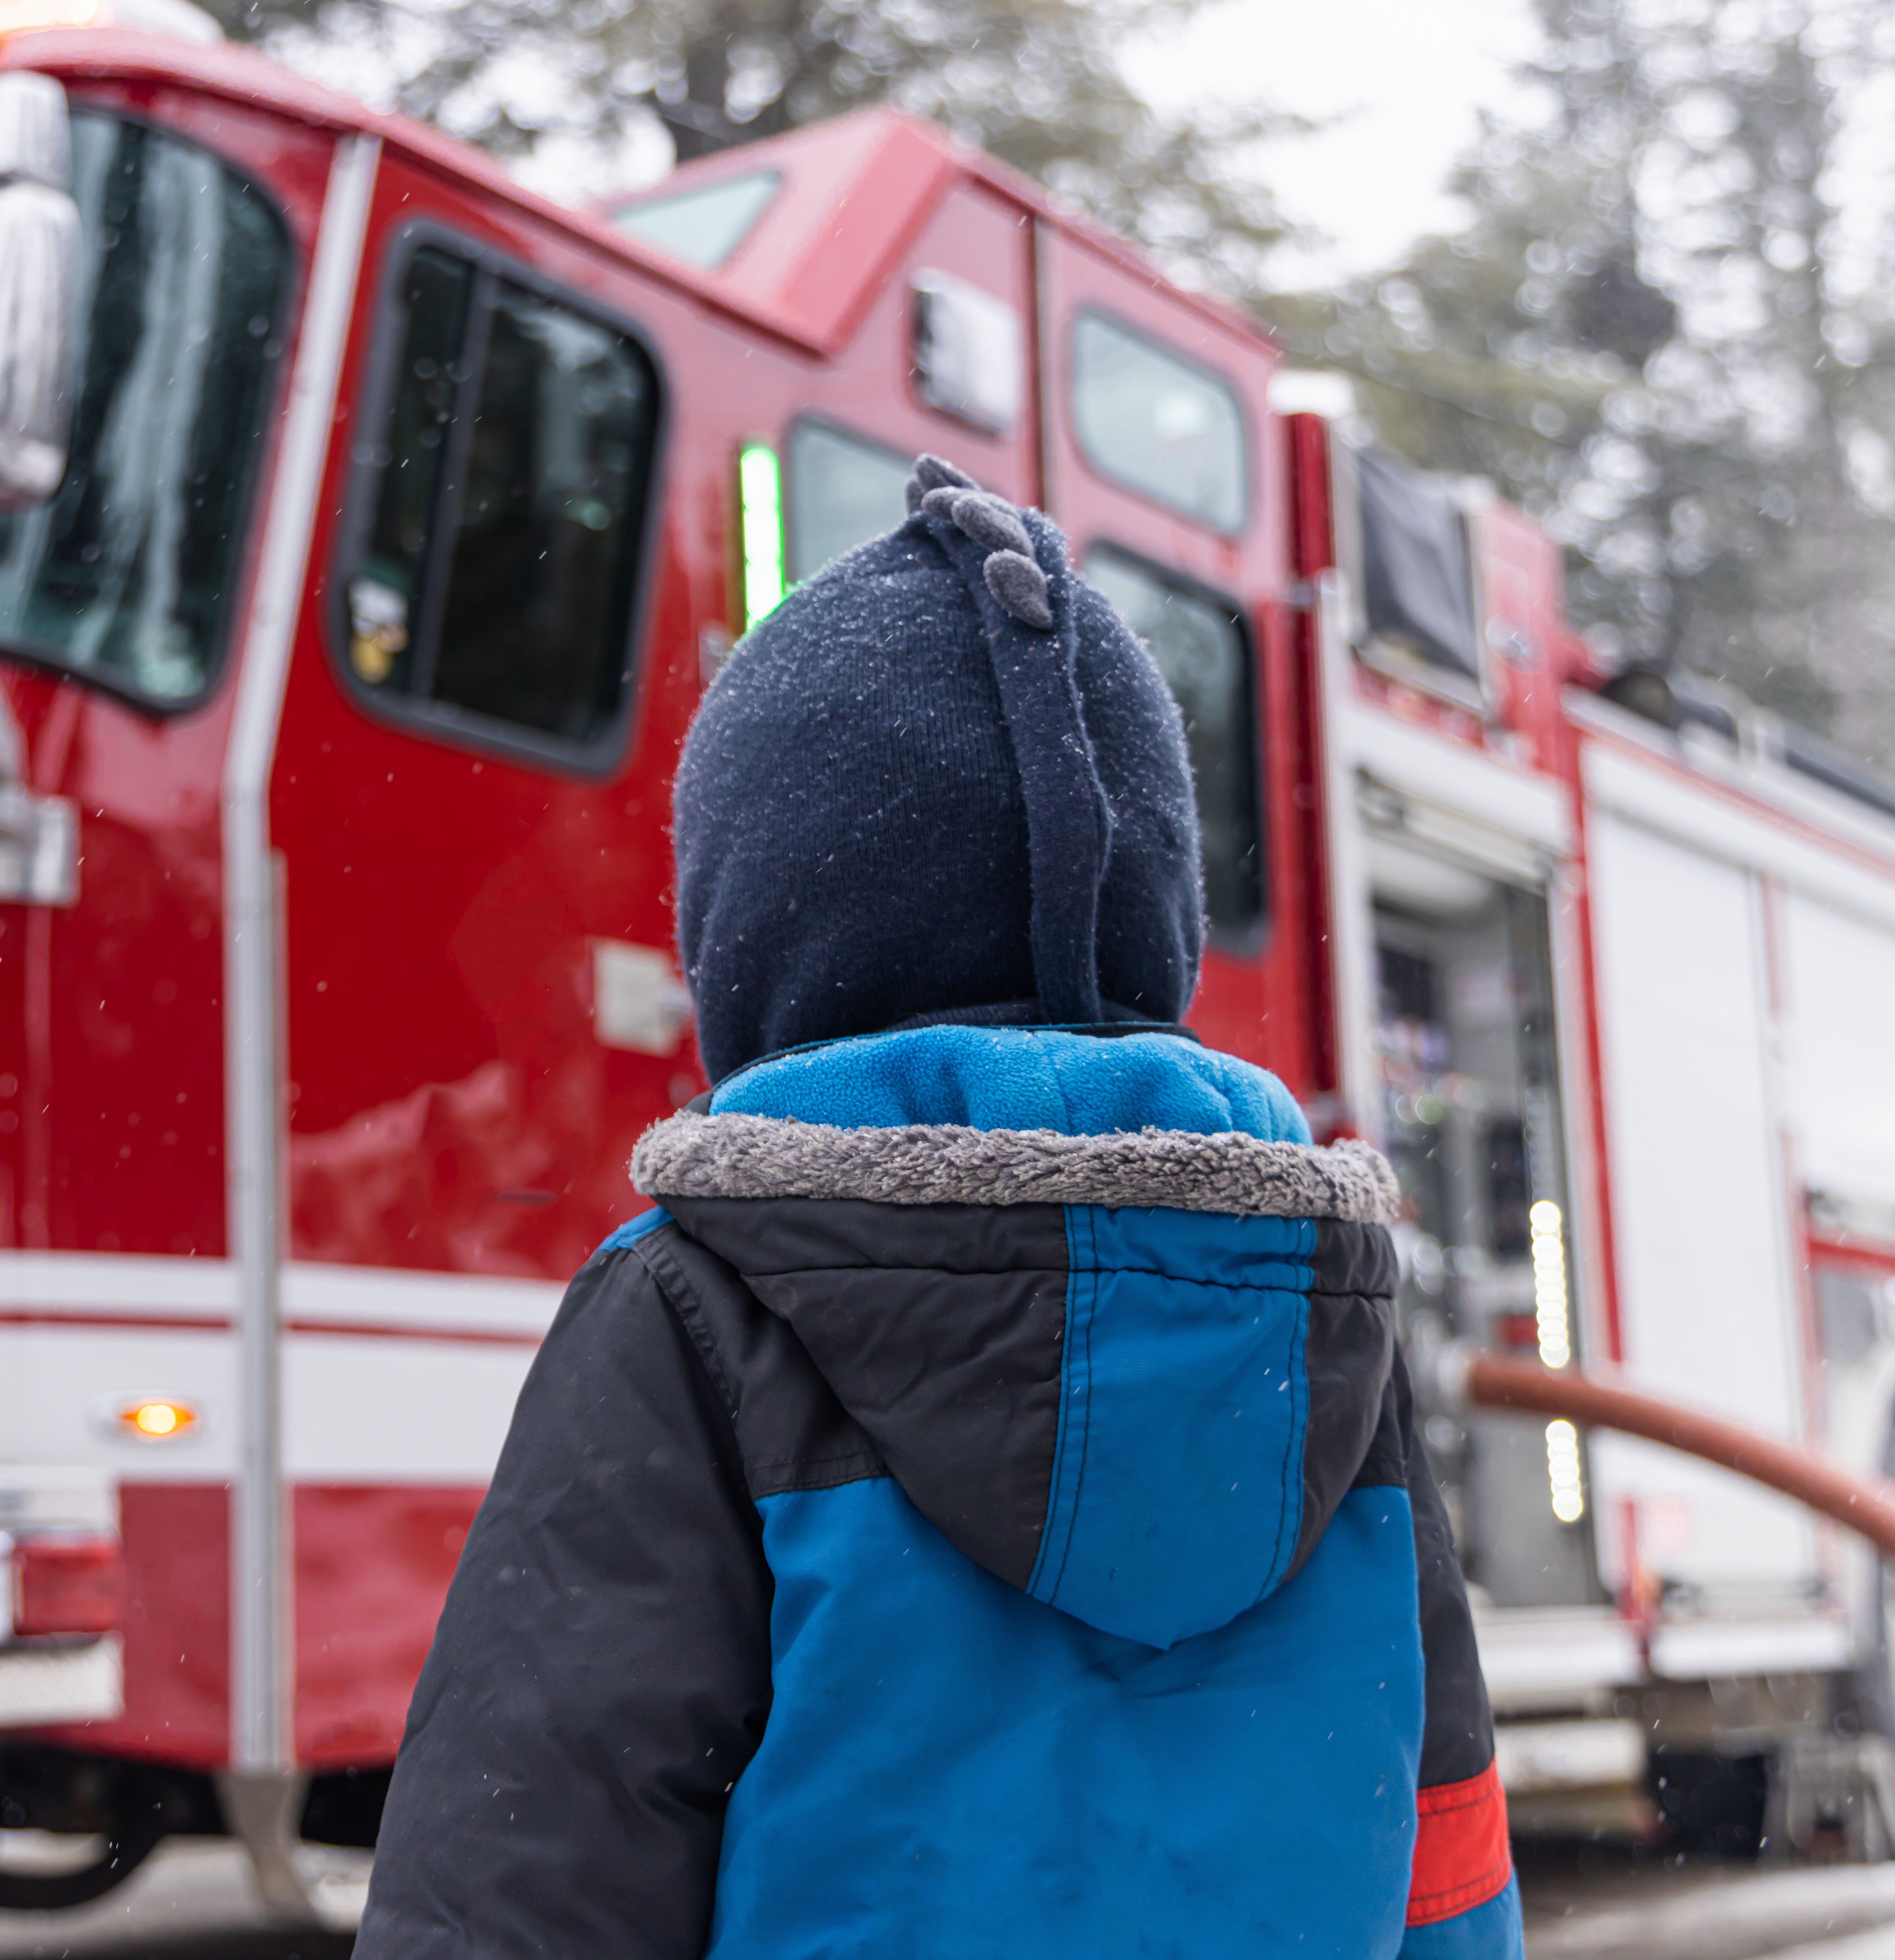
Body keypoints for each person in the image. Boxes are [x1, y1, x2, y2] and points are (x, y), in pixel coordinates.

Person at [355, 459, 1522, 1959]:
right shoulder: (1312, 1317)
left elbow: (521, 1881)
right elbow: (1443, 1864)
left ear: (756, 939)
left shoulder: (691, 1309)